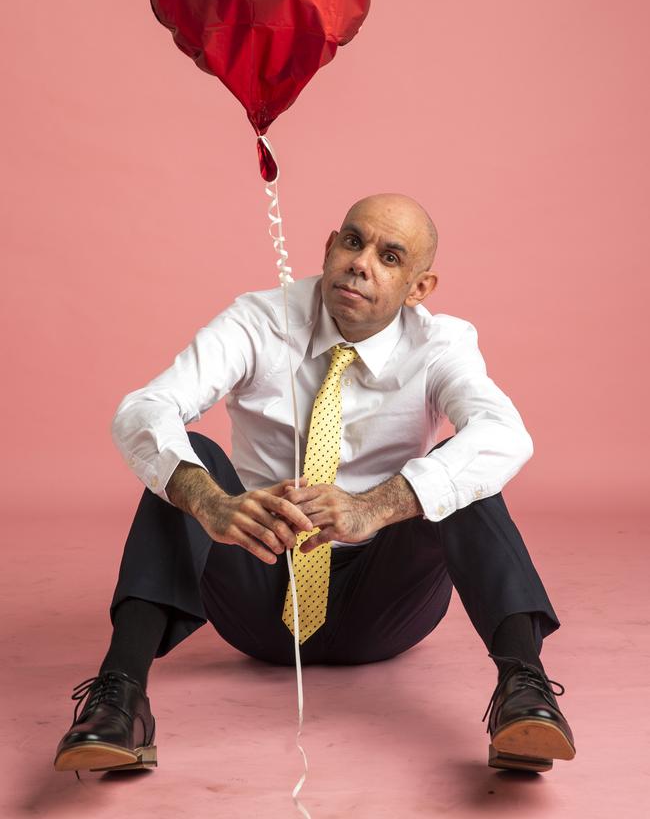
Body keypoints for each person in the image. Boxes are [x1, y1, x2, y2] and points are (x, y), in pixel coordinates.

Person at [53, 192, 576, 777]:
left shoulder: (441, 344)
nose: (361, 263)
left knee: (464, 467)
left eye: (390, 257)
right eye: (353, 242)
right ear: (329, 248)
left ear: (419, 288)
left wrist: (375, 507)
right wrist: (213, 503)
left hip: (384, 601)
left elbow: (506, 435)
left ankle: (524, 694)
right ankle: (119, 698)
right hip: (258, 584)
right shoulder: (259, 319)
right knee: (187, 459)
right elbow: (145, 408)